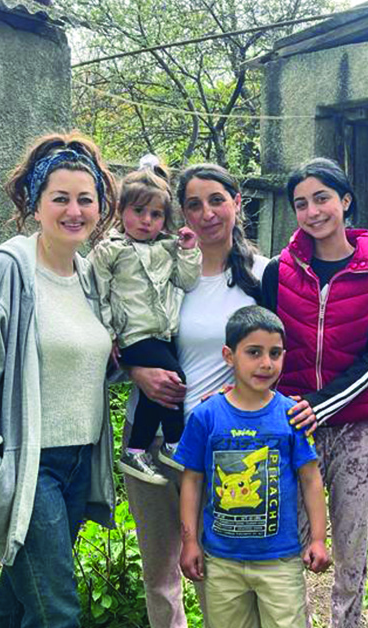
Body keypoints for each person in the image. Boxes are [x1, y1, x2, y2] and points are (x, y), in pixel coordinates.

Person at [0, 132, 120, 627]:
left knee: (17, 603)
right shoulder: (7, 270)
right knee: (57, 611)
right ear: (35, 205)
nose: (74, 210)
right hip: (29, 468)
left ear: (99, 207)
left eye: (85, 199)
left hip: (78, 465)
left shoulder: (89, 276)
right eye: (60, 198)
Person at [124, 163, 270, 628]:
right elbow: (117, 331)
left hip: (227, 443)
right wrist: (135, 369)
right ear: (179, 212)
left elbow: (282, 355)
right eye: (192, 204)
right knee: (160, 569)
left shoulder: (265, 276)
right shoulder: (156, 266)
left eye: (216, 200)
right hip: (151, 439)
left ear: (236, 203)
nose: (206, 213)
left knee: (220, 567)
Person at [259, 157, 368, 628]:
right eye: (301, 203)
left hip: (356, 427)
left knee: (351, 546)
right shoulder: (278, 271)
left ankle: (347, 623)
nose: (313, 211)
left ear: (345, 201)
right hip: (290, 426)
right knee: (283, 542)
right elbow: (263, 344)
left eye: (321, 198)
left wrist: (319, 406)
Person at [175, 305, 332, 628]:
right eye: (254, 352)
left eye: (275, 353)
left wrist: (318, 538)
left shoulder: (291, 416)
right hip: (222, 562)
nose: (266, 363)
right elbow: (192, 481)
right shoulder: (206, 417)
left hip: (280, 561)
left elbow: (311, 479)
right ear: (229, 356)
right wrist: (190, 541)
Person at [89, 156, 201, 485]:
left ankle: (137, 449)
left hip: (161, 333)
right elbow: (100, 294)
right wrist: (109, 333)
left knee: (159, 390)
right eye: (138, 211)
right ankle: (174, 442)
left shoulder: (167, 249)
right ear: (122, 210)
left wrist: (188, 250)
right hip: (132, 334)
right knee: (175, 379)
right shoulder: (111, 250)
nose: (146, 220)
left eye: (155, 214)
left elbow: (187, 280)